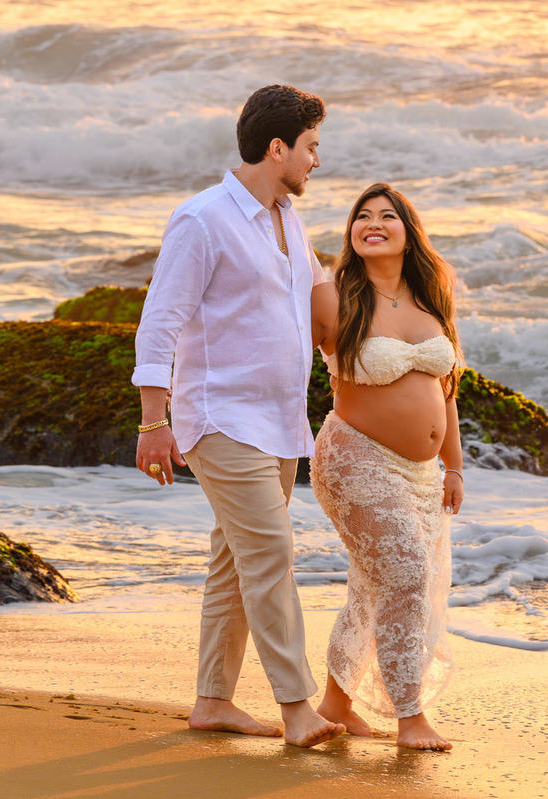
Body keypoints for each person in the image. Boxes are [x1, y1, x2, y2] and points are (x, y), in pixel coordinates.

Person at [131, 84, 345, 747]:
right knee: (272, 553)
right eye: (310, 147)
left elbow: (320, 298)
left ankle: (212, 699)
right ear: (277, 148)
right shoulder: (203, 220)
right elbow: (159, 322)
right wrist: (152, 421)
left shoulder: (287, 215)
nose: (316, 160)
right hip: (219, 418)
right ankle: (297, 707)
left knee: (236, 559)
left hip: (278, 420)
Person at [309, 183, 465, 751]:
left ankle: (335, 704)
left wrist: (453, 467)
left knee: (371, 588)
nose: (373, 223)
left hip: (422, 475)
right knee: (405, 577)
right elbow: (271, 348)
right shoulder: (336, 296)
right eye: (362, 217)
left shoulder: (430, 301)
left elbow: (446, 391)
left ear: (408, 231)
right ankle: (410, 715)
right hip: (355, 458)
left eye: (387, 216)